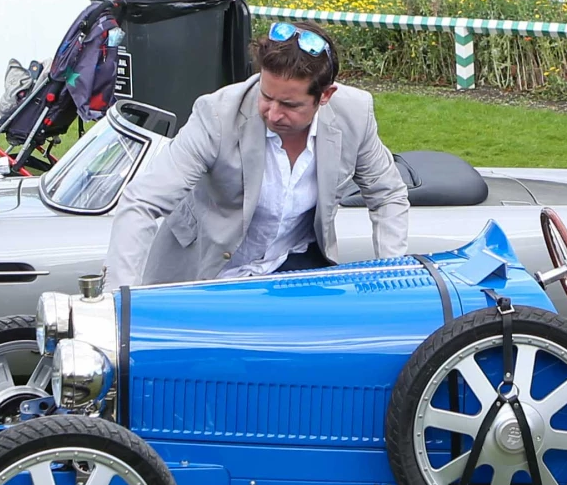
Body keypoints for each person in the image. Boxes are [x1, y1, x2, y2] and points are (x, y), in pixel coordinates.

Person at [102, 21, 409, 288]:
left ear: (325, 95)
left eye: (289, 105)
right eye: (266, 96)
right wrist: (119, 298)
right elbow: (141, 202)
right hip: (206, 273)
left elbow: (388, 195)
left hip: (292, 267)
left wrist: (392, 277)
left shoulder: (355, 113)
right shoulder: (216, 114)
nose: (273, 113)